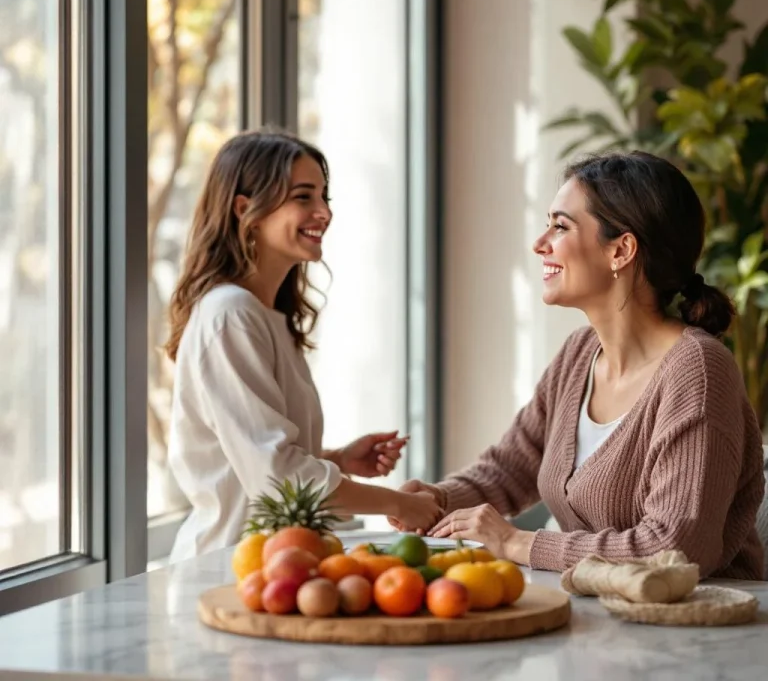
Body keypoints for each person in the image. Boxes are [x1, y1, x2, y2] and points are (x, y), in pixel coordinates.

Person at [394, 151, 765, 579]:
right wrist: (436, 500)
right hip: (602, 623)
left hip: (700, 634)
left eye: (560, 226)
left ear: (622, 250)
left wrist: (519, 542)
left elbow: (675, 548)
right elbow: (511, 467)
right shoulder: (578, 355)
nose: (540, 243)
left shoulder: (697, 372)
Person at [165, 129, 442, 562]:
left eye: (324, 196)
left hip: (274, 564)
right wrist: (398, 503)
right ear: (246, 210)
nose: (324, 212)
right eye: (303, 197)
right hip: (228, 570)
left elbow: (250, 457)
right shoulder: (230, 314)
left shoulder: (260, 315)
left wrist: (338, 459)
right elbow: (277, 477)